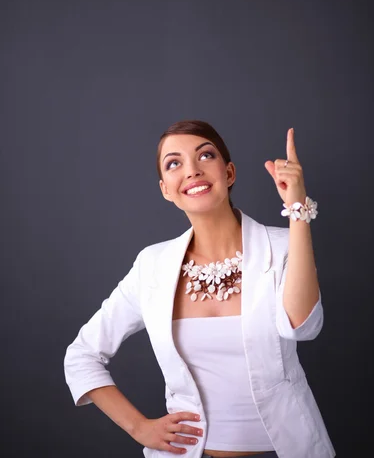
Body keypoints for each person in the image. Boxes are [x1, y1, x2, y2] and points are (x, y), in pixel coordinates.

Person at [64, 120, 336, 458]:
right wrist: (139, 427)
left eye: (205, 156)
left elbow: (301, 326)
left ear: (229, 172)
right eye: (174, 163)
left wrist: (298, 211)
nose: (191, 171)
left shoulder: (282, 246)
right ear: (166, 189)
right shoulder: (153, 265)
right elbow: (82, 355)